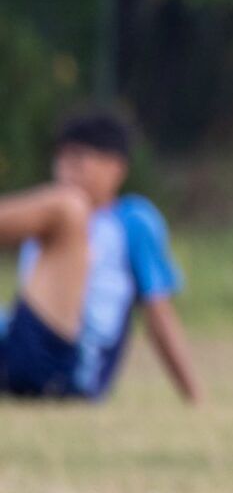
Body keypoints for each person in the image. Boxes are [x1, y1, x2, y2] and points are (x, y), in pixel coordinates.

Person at [0, 109, 200, 405]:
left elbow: (158, 311)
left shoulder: (131, 220)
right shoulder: (42, 220)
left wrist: (193, 395)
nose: (66, 171)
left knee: (69, 207)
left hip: (70, 368)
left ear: (115, 167)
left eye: (79, 161)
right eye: (62, 160)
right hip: (20, 346)